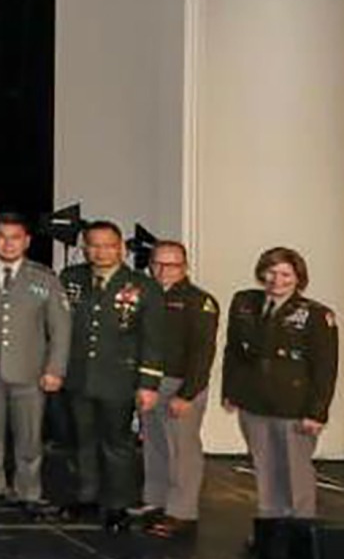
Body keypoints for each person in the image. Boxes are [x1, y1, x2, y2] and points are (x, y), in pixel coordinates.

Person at [57, 221, 164, 532]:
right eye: (94, 245)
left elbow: (154, 340)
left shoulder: (143, 286)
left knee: (117, 444)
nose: (101, 251)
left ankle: (118, 504)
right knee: (83, 441)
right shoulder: (71, 279)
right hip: (78, 376)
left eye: (108, 245)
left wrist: (148, 384)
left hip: (119, 378)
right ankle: (87, 496)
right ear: (85, 247)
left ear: (120, 248)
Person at [221, 246, 336, 523]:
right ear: (262, 273)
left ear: (298, 278)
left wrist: (317, 412)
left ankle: (301, 528)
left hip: (294, 406)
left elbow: (325, 368)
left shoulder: (316, 315)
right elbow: (234, 351)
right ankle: (270, 526)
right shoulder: (244, 303)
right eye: (271, 272)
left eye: (286, 274)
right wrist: (230, 391)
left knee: (295, 472)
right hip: (254, 401)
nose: (277, 280)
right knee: (264, 467)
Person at [0, 212, 67, 511]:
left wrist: (55, 369)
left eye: (15, 237)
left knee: (29, 439)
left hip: (29, 371)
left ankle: (28, 491)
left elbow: (61, 329)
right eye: (1, 236)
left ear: (26, 241)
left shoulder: (44, 278)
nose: (8, 243)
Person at [140, 240, 217, 537]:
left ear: (184, 267)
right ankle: (156, 501)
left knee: (182, 450)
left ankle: (182, 512)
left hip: (180, 384)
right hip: (150, 382)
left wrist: (188, 394)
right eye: (157, 263)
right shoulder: (147, 294)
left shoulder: (199, 301)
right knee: (155, 444)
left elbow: (202, 353)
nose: (163, 270)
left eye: (171, 264)